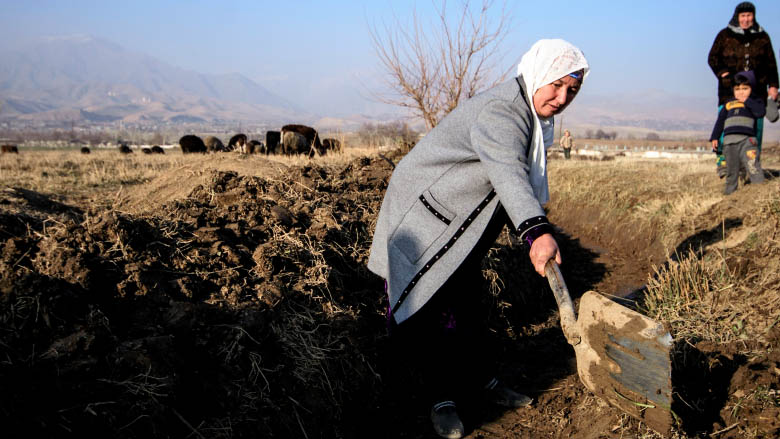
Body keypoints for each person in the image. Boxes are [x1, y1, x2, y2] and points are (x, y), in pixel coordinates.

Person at [367, 39, 588, 439]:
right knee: (431, 309)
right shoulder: (504, 111)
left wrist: (534, 225)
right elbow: (507, 173)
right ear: (538, 74)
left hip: (457, 217)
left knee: (467, 300)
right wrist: (536, 231)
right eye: (556, 85)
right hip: (427, 216)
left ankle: (481, 380)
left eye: (572, 90)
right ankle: (441, 399)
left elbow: (511, 178)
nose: (562, 97)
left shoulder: (528, 114)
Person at [708, 1, 778, 177]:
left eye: (749, 16)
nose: (746, 19)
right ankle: (724, 163)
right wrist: (723, 73)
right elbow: (712, 57)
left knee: (756, 127)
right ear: (737, 17)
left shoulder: (763, 37)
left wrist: (774, 86)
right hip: (729, 92)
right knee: (727, 124)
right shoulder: (724, 35)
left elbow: (771, 63)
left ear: (753, 16)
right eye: (743, 16)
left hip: (757, 92)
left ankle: (751, 164)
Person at [709, 71, 765, 195]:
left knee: (752, 165)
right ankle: (730, 195)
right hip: (729, 143)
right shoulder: (728, 104)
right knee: (731, 170)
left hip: (747, 141)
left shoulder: (755, 102)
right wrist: (715, 137)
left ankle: (760, 192)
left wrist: (748, 101)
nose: (741, 92)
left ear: (752, 89)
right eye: (737, 89)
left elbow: (760, 112)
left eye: (745, 88)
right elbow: (720, 121)